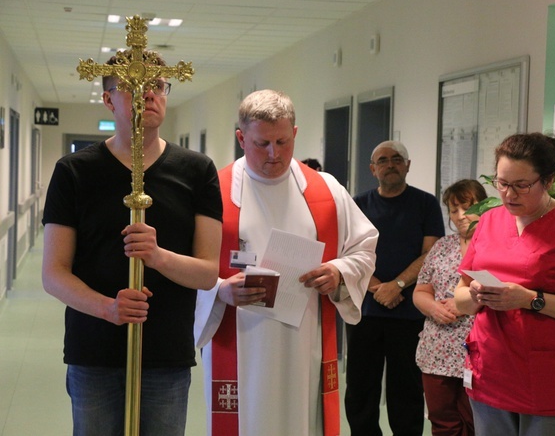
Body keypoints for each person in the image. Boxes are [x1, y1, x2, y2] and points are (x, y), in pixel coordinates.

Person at [41, 49, 223, 436]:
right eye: (132, 86)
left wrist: (158, 257)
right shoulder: (74, 171)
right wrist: (108, 308)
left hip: (166, 353)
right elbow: (54, 273)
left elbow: (209, 274)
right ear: (108, 99)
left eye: (157, 85)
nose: (148, 95)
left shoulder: (197, 171)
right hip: (95, 350)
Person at [193, 89, 378, 436]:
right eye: (262, 143)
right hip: (240, 335)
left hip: (304, 336)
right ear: (241, 137)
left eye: (282, 141)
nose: (274, 154)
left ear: (294, 133)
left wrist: (338, 272)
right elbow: (185, 266)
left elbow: (364, 247)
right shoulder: (211, 191)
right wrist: (219, 291)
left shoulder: (326, 189)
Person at [454, 132, 555, 436]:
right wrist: (476, 295)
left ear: (549, 180)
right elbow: (460, 299)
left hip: (553, 380)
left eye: (521, 185)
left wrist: (531, 299)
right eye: (501, 183)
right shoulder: (489, 222)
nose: (508, 195)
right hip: (492, 373)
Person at [345, 140, 446, 436]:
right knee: (361, 389)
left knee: (407, 391)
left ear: (408, 165)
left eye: (397, 159)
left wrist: (398, 284)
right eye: (384, 160)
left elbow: (431, 252)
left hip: (409, 314)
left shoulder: (425, 203)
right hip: (364, 311)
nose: (391, 164)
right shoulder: (357, 204)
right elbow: (347, 252)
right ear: (372, 168)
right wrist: (379, 288)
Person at [413, 179, 487, 436]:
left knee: (475, 421)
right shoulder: (442, 247)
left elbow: (503, 293)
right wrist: (433, 308)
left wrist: (463, 304)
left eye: (467, 208)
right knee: (442, 421)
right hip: (437, 350)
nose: (460, 216)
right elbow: (420, 292)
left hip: (478, 350)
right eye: (453, 210)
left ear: (485, 207)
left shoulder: (494, 246)